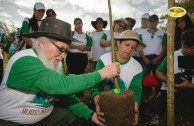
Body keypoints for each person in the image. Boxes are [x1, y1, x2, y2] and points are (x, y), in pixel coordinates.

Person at [0, 18, 120, 126]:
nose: (63, 56)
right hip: (13, 121)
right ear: (42, 44)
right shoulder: (24, 60)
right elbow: (61, 85)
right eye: (61, 49)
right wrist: (102, 73)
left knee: (73, 116)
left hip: (46, 117)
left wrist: (91, 115)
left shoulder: (54, 63)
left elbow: (66, 96)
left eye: (66, 51)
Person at [91, 30, 146, 126]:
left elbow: (136, 91)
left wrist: (135, 109)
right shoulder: (104, 60)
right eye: (127, 44)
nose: (130, 49)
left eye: (133, 47)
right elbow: (96, 87)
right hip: (103, 102)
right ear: (118, 43)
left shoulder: (137, 67)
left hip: (124, 105)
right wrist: (97, 104)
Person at [151, 28, 194, 125]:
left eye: (192, 48)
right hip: (169, 89)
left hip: (190, 91)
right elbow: (158, 72)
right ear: (181, 43)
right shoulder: (172, 55)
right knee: (158, 110)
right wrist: (170, 81)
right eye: (185, 47)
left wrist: (189, 85)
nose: (188, 51)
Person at [66, 18, 93, 101]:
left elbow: (89, 48)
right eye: (76, 23)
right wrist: (78, 47)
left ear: (82, 24)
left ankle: (80, 95)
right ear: (74, 25)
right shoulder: (71, 34)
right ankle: (71, 94)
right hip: (72, 57)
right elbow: (67, 44)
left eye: (79, 23)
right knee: (72, 75)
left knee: (80, 75)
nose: (78, 25)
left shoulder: (87, 37)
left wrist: (84, 47)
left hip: (82, 57)